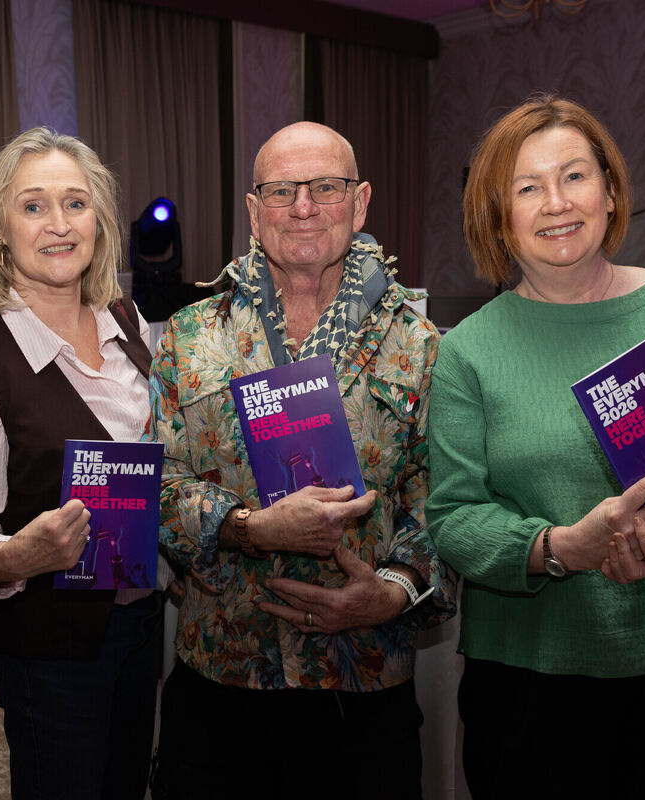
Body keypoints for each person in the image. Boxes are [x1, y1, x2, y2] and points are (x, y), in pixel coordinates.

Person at [426, 94, 645, 799]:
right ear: (498, 214)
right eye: (528, 187)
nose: (557, 203)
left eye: (575, 176)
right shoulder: (468, 351)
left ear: (611, 192)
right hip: (532, 683)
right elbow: (455, 516)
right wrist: (561, 548)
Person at [146, 121, 457, 799]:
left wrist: (394, 590)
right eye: (282, 191)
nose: (304, 207)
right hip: (223, 674)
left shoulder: (421, 343)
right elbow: (156, 486)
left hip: (364, 676)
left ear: (361, 202)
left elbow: (446, 497)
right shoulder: (189, 336)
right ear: (254, 211)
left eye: (326, 187)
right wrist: (247, 528)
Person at [0, 127, 163, 800]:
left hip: (142, 622)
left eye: (75, 203)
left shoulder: (130, 325)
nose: (59, 224)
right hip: (51, 647)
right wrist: (12, 557)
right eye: (33, 206)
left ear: (99, 220)